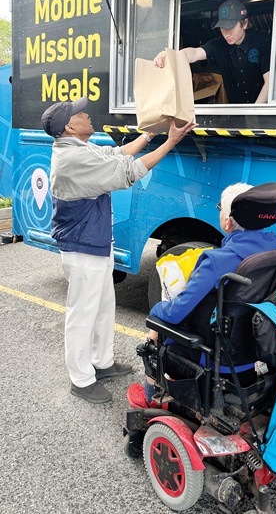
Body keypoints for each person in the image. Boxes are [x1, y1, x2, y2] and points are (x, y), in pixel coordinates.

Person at [41, 97, 196, 404]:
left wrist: (152, 133)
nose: (87, 114)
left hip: (95, 242)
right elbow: (129, 172)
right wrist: (172, 141)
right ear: (71, 126)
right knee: (82, 312)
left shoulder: (78, 148)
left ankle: (101, 361)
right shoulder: (72, 159)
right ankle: (81, 379)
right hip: (82, 247)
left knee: (101, 306)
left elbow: (118, 154)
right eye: (81, 113)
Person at [127, 182, 276, 408]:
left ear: (227, 221)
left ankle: (149, 393)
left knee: (158, 322)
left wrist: (157, 310)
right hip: (262, 349)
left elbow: (175, 314)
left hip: (218, 360)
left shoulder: (217, 261)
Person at [154, 0, 271, 104]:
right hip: (236, 113)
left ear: (244, 23)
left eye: (230, 28)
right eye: (223, 28)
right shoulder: (219, 45)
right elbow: (194, 53)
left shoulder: (262, 41)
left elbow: (269, 81)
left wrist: (255, 112)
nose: (226, 34)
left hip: (263, 112)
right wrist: (172, 55)